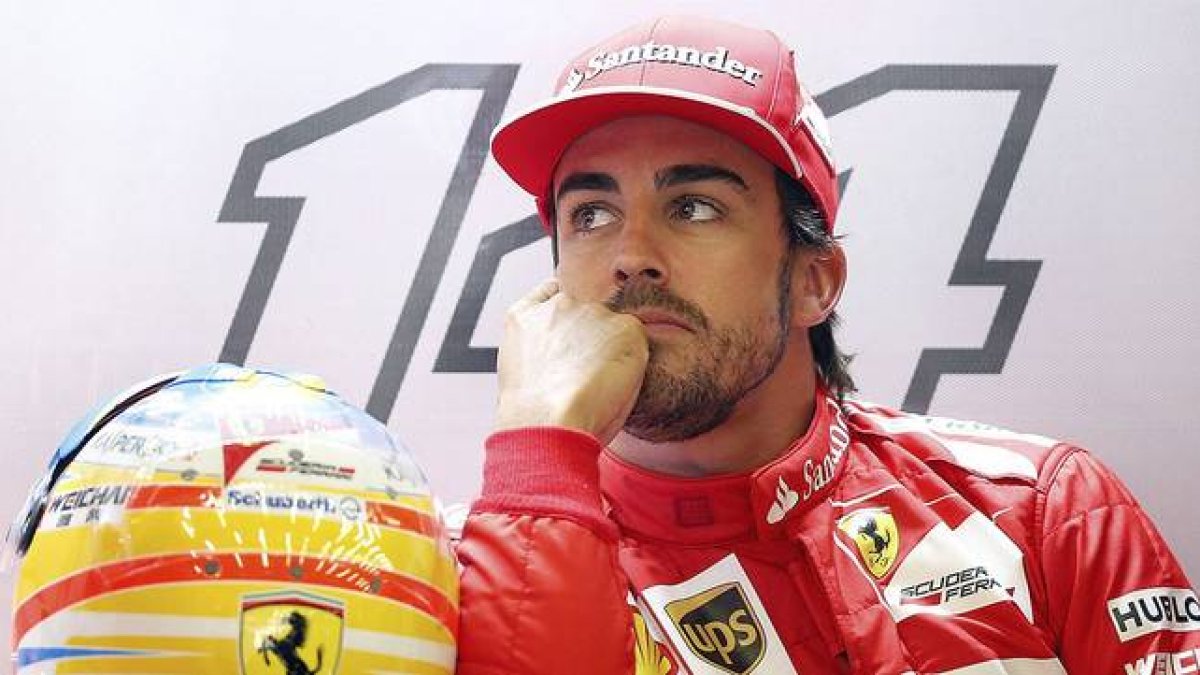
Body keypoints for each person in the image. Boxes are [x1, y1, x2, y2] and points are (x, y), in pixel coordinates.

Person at [455, 15, 1198, 675]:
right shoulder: (454, 573)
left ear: (814, 280)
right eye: (589, 214)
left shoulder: (1039, 512)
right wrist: (541, 458)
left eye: (694, 205)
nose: (631, 254)